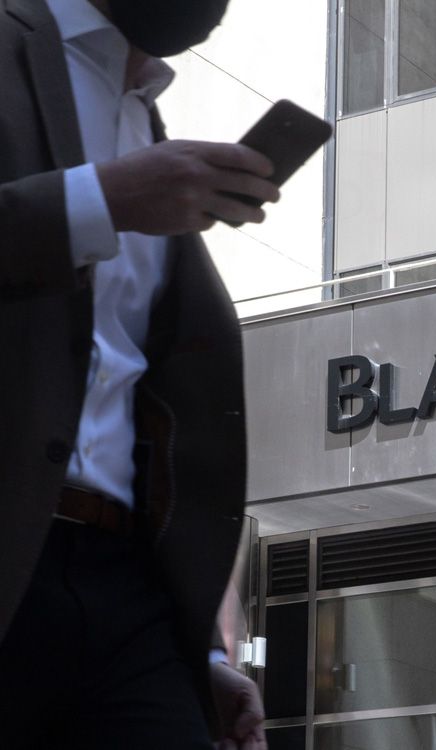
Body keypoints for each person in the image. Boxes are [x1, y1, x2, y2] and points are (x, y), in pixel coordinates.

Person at [0, 0, 279, 746]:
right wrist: (104, 199)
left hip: (126, 595)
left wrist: (200, 653)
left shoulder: (145, 115)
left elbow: (140, 394)